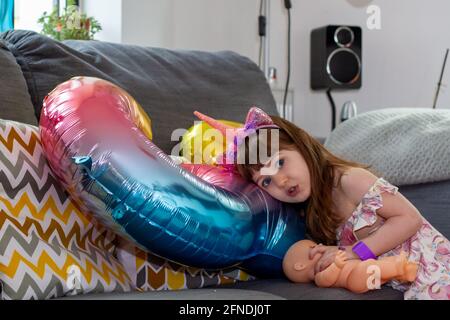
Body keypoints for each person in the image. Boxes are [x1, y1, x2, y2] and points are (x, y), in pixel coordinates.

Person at [194, 106, 450, 300]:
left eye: (281, 163)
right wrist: (323, 252)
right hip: (406, 279)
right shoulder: (310, 208)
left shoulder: (349, 180)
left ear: (303, 147)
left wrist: (355, 252)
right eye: (266, 182)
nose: (280, 181)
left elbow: (409, 218)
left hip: (436, 271)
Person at [283, 239, 418, 293]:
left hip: (365, 277)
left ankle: (403, 273)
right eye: (312, 247)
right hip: (354, 279)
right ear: (300, 265)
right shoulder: (319, 277)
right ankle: (398, 267)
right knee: (370, 267)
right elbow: (326, 279)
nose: (319, 246)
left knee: (377, 267)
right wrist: (336, 266)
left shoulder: (329, 257)